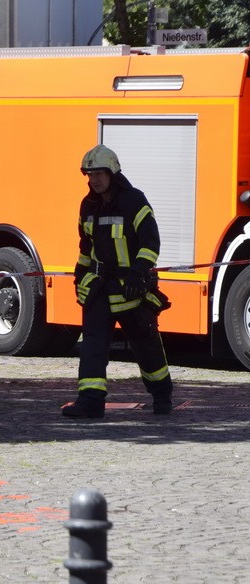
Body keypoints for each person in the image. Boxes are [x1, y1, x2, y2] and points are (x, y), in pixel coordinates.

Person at [63, 145, 173, 418]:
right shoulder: (87, 205)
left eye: (100, 173)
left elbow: (150, 243)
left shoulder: (134, 201)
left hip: (129, 289)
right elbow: (85, 246)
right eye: (90, 174)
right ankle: (90, 401)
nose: (94, 179)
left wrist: (138, 271)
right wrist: (80, 275)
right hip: (99, 287)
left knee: (145, 345)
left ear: (113, 173)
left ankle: (162, 396)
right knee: (92, 346)